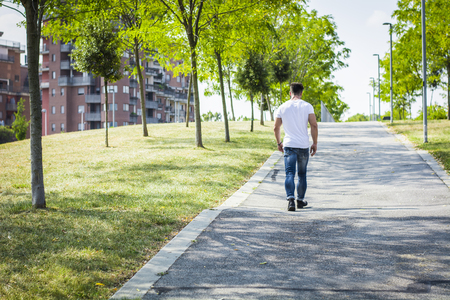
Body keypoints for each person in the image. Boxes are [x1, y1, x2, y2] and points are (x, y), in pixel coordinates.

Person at [273, 83, 318, 211]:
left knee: (289, 174)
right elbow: (314, 125)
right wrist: (314, 143)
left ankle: (291, 200)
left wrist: (278, 142)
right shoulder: (307, 106)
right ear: (301, 93)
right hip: (303, 145)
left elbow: (276, 127)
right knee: (302, 174)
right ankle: (300, 200)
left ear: (290, 92)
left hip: (289, 145)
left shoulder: (282, 107)